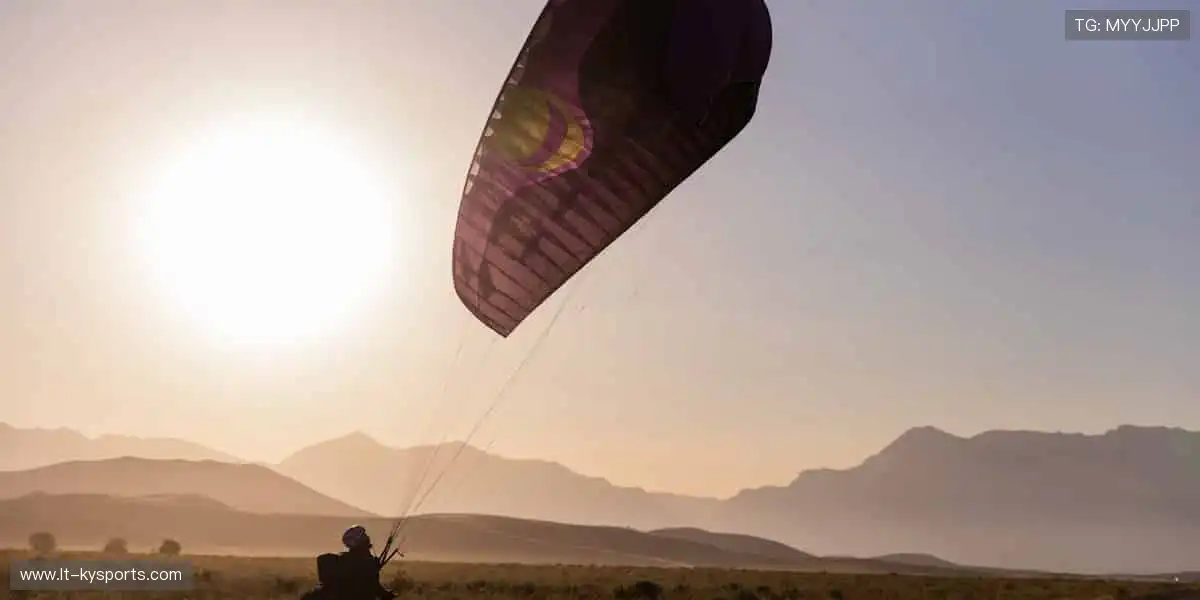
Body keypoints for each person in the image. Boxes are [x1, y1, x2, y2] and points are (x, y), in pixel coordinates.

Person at [307, 526, 395, 600]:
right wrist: (386, 595)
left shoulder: (344, 560)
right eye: (365, 538)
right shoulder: (365, 563)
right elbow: (372, 586)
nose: (367, 538)